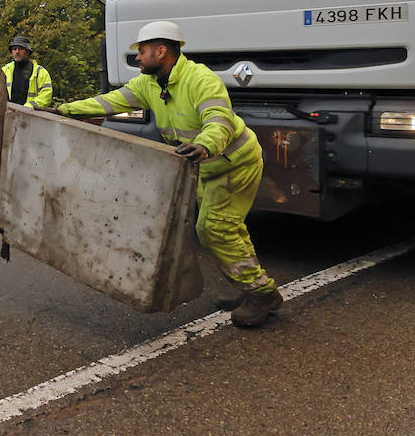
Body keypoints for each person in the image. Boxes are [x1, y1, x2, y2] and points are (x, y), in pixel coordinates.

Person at [51, 20, 281, 328]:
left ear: (161, 51)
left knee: (214, 230)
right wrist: (64, 110)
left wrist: (205, 144)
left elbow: (218, 119)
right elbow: (108, 102)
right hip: (205, 167)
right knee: (225, 229)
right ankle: (251, 286)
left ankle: (262, 294)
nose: (137, 59)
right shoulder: (149, 84)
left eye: (142, 52)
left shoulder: (200, 79)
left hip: (233, 163)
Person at [0, 35, 53, 109]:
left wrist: (28, 107)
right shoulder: (4, 70)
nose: (17, 52)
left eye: (21, 49)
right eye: (14, 49)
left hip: (30, 116)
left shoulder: (40, 72)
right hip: (8, 114)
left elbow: (46, 95)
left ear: (27, 52)